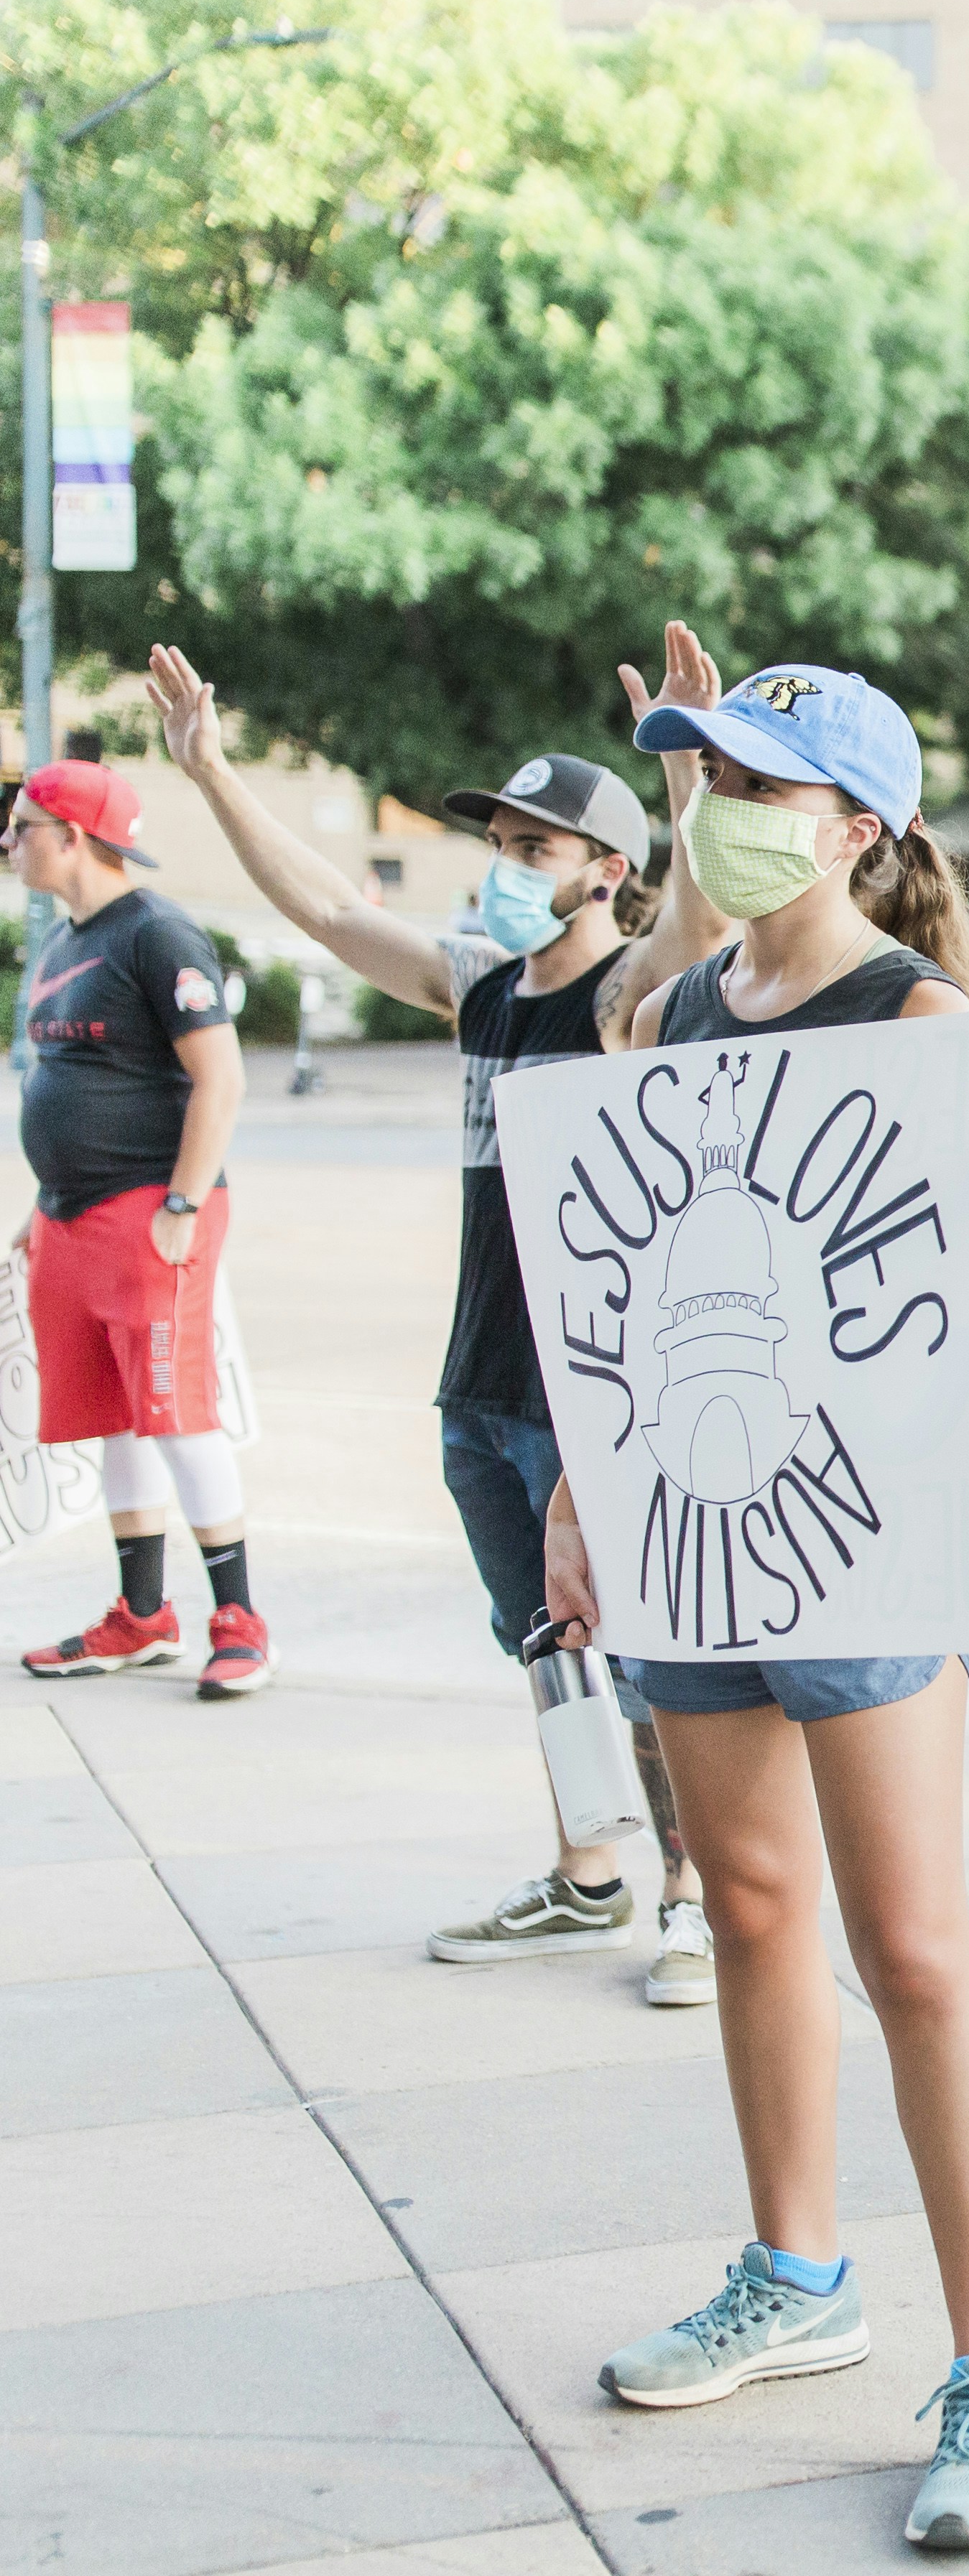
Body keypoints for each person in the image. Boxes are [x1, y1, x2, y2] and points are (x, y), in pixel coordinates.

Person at [540, 663, 969, 2554]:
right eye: (701, 775)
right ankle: (798, 2270)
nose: (714, 804)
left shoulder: (924, 1015)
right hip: (694, 1509)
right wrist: (582, 1506)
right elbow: (614, 1279)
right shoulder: (677, 1009)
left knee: (913, 1944)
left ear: (858, 823)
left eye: (759, 780)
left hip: (863, 1533)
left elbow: (955, 1333)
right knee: (751, 1903)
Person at [149, 636, 733, 2003]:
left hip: (588, 1390)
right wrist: (215, 774)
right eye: (504, 839)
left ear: (607, 869)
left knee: (642, 1655)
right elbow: (332, 916)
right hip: (479, 1383)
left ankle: (692, 1899)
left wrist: (693, 772)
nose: (511, 860)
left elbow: (699, 928)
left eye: (542, 845)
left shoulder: (623, 995)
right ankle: (589, 1875)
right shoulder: (480, 983)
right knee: (541, 1643)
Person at [11, 758, 269, 1699]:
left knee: (173, 1412)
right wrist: (41, 1214)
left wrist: (183, 1205)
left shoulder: (158, 934)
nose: (8, 843)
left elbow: (223, 1077)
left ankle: (239, 1620)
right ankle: (141, 1615)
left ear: (72, 836)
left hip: (151, 1212)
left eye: (21, 827)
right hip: (71, 1220)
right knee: (114, 1415)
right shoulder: (62, 944)